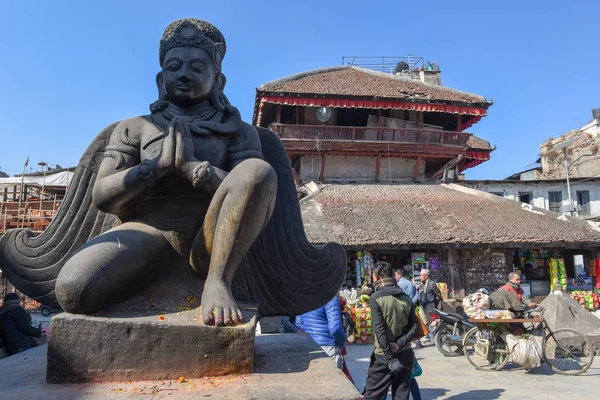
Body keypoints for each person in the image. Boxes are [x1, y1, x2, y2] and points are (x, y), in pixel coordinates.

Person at [363, 262, 417, 400]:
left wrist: (390, 358)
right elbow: (414, 327)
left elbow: (379, 331)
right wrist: (399, 343)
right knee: (401, 395)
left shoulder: (376, 297)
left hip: (384, 356)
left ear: (376, 278)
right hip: (404, 353)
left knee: (372, 394)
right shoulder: (406, 298)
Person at [296, 296, 347, 370]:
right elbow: (335, 328)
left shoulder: (303, 296)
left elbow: (299, 323)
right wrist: (341, 343)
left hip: (310, 347)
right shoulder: (330, 296)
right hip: (328, 347)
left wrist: (311, 334)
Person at [416, 269, 442, 345]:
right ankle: (423, 339)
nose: (420, 277)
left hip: (430, 305)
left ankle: (434, 340)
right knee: (423, 322)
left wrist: (435, 303)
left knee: (432, 323)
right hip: (422, 305)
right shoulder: (420, 283)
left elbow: (438, 294)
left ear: (426, 276)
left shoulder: (432, 283)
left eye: (421, 275)